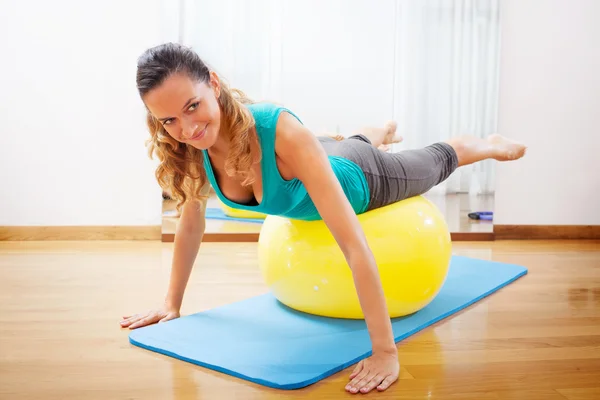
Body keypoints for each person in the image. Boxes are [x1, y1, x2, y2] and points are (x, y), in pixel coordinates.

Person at [120, 42, 526, 394]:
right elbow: (191, 223)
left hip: (362, 178)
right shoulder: (191, 146)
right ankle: (377, 130)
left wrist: (385, 351)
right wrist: (171, 304)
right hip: (322, 153)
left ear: (213, 82)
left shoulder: (277, 129)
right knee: (344, 142)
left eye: (193, 106)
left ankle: (482, 144)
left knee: (436, 161)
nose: (187, 127)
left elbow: (353, 243)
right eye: (168, 120)